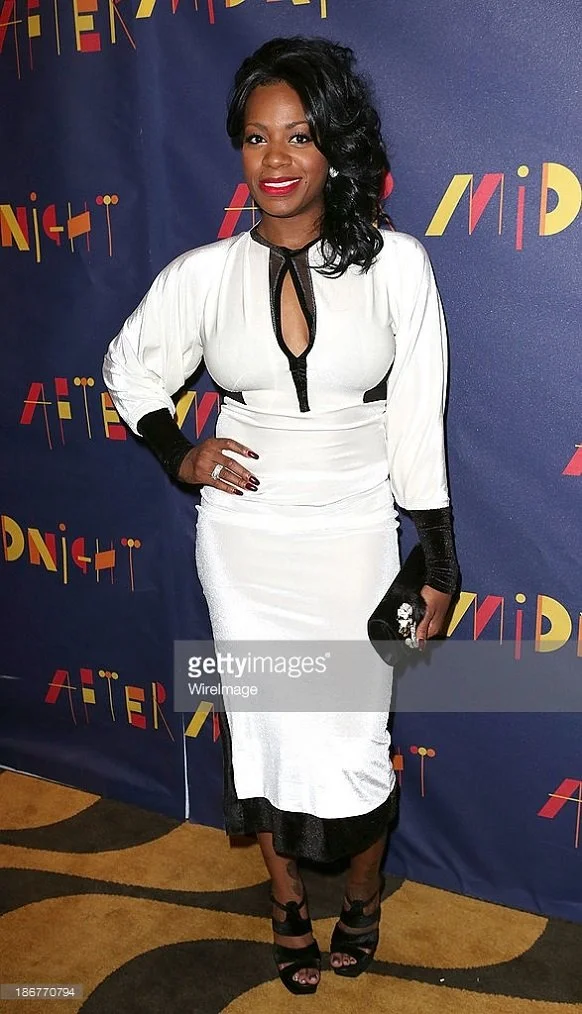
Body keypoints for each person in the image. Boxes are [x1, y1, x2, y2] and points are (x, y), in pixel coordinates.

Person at [102, 35, 459, 995]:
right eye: (257, 139)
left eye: (299, 135)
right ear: (239, 151)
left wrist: (438, 563)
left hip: (354, 533)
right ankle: (287, 903)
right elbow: (128, 366)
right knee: (261, 722)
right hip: (245, 541)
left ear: (334, 145)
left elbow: (418, 421)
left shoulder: (397, 267)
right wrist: (183, 452)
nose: (276, 160)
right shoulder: (203, 276)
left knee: (349, 734)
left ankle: (365, 898)